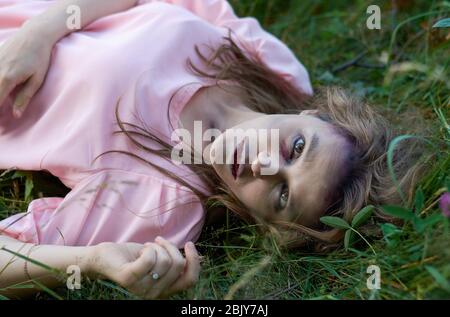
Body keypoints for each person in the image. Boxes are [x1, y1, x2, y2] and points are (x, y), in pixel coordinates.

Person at [0, 0, 422, 299]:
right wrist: (44, 29)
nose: (263, 164)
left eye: (282, 195)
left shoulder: (162, 204)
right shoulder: (276, 71)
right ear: (314, 113)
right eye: (296, 148)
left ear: (269, 224)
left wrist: (90, 260)